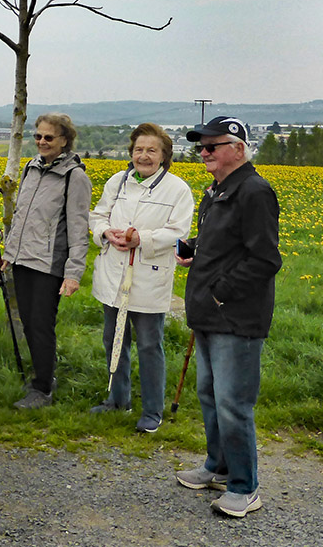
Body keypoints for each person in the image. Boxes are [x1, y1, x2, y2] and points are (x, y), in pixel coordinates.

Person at [175, 116, 281, 518]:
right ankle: (218, 468)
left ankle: (244, 486)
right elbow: (224, 243)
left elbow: (265, 258)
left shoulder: (254, 191)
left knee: (233, 403)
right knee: (210, 396)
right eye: (201, 147)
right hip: (208, 314)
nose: (203, 153)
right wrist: (194, 251)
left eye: (211, 146)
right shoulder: (217, 191)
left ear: (237, 148)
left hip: (235, 318)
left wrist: (220, 293)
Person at [89, 123, 194, 433]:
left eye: (151, 150)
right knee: (114, 339)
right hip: (113, 275)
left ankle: (152, 410)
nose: (143, 156)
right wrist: (106, 232)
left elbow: (178, 231)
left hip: (150, 277)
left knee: (149, 344)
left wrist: (142, 238)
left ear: (164, 156)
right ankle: (118, 399)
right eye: (138, 149)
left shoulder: (177, 189)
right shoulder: (117, 182)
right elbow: (98, 216)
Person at [0, 113, 92, 409]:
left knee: (41, 325)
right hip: (23, 261)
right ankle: (43, 377)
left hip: (49, 265)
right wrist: (8, 256)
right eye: (38, 136)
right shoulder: (31, 169)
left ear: (64, 141)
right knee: (29, 322)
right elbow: (22, 218)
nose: (42, 142)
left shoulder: (75, 177)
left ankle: (43, 389)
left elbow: (78, 228)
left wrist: (73, 274)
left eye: (49, 137)